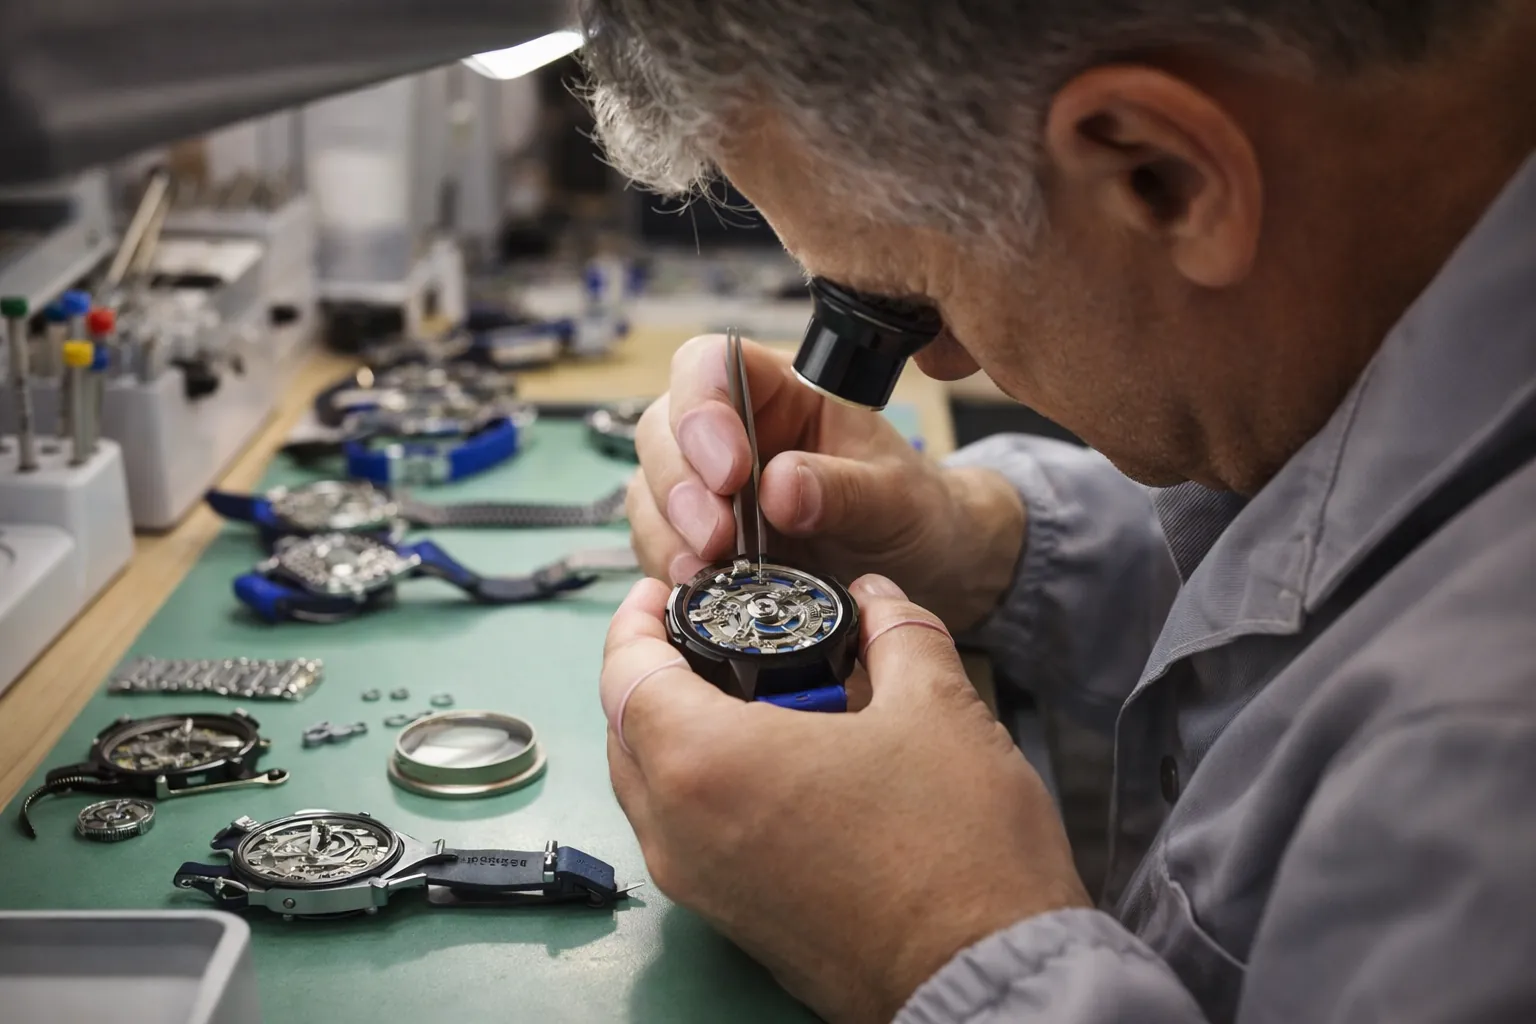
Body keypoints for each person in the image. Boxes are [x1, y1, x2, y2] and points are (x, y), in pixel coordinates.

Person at [583, 2, 1536, 1021]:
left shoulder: (1490, 758)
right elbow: (1351, 565)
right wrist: (990, 546)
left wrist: (940, 940)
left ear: (1159, 175)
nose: (940, 365)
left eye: (904, 308)